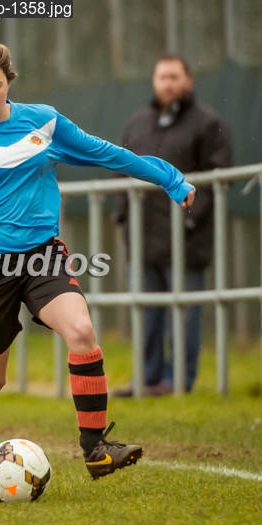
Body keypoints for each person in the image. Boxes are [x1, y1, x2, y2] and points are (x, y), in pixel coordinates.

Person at [0, 37, 196, 491]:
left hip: (43, 258)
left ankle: (96, 449)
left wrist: (169, 179)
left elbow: (108, 153)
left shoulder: (43, 122)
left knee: (81, 331)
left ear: (9, 82)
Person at [112, 54, 232, 396]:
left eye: (174, 76)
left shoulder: (208, 123)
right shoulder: (137, 124)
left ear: (188, 81)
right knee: (145, 314)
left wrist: (188, 222)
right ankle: (147, 379)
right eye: (162, 77)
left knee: (185, 316)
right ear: (154, 81)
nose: (168, 83)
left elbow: (216, 178)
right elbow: (120, 168)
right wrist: (121, 214)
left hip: (185, 243)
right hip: (142, 239)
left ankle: (177, 381)